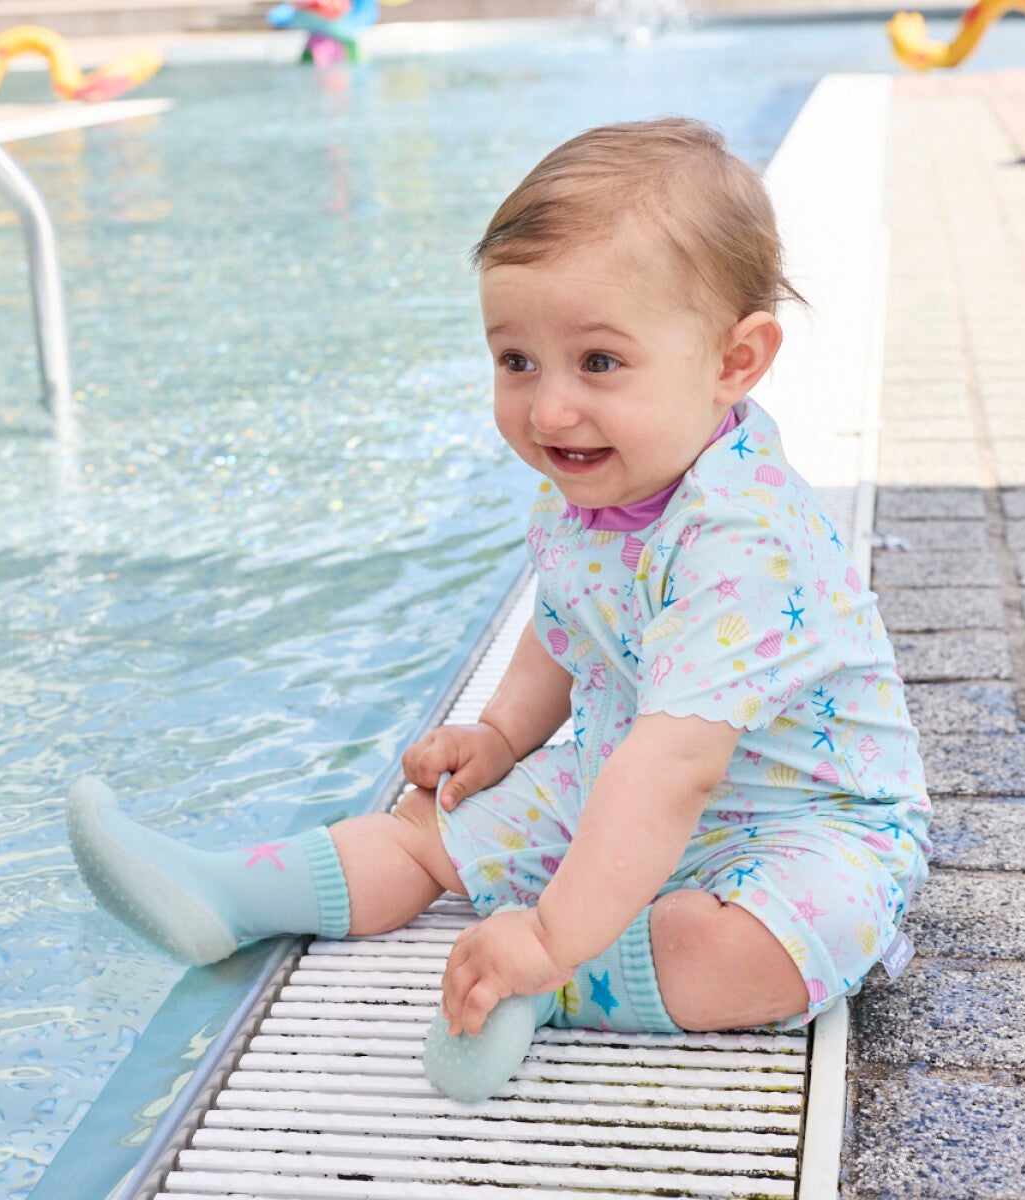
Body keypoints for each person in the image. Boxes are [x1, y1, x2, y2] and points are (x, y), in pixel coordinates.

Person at [68, 117, 929, 1103]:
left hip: (801, 824)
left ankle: (553, 985)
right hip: (626, 783)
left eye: (598, 362)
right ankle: (230, 894)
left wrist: (552, 935)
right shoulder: (595, 482)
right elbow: (568, 624)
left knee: (759, 950)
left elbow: (675, 767)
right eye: (517, 360)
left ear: (734, 363)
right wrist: (500, 734)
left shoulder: (741, 537)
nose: (548, 410)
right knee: (427, 825)